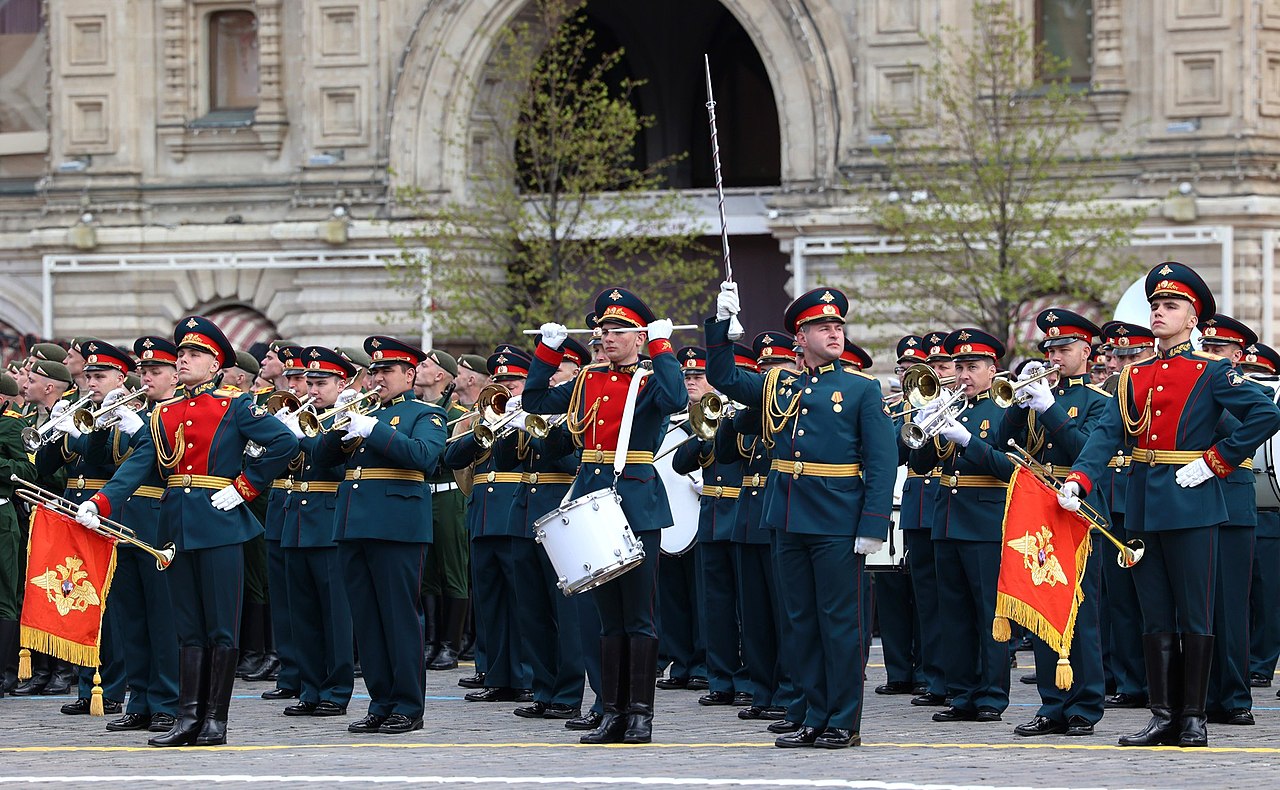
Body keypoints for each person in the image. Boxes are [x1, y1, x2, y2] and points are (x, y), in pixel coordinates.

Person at [1060, 261, 1280, 748]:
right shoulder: (1134, 375)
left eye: (1171, 305)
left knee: (1196, 613)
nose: (1159, 312)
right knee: (1154, 613)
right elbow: (1106, 434)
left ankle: (1195, 717)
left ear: (1193, 319)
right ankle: (1163, 716)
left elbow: (1266, 413)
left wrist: (1217, 460)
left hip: (1192, 500)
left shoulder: (1212, 371)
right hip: (1141, 503)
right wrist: (1081, 478)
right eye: (1156, 304)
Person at [77, 316, 298, 747]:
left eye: (194, 354)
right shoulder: (164, 412)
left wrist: (245, 487)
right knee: (188, 628)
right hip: (175, 525)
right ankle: (187, 717)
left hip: (219, 522)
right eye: (181, 354)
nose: (183, 360)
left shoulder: (236, 406)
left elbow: (284, 444)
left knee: (220, 628)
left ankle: (215, 720)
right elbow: (140, 465)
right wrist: (99, 503)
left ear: (216, 366)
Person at [708, 284, 897, 749]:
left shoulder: (860, 389)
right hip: (788, 517)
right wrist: (721, 329)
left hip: (837, 521)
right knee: (800, 622)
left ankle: (842, 720)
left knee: (839, 624)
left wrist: (873, 524)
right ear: (801, 335)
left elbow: (881, 461)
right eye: (823, 327)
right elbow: (726, 379)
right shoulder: (780, 385)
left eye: (837, 326)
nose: (834, 333)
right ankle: (812, 714)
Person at [523, 287, 685, 745]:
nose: (606, 336)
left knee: (638, 616)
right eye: (602, 329)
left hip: (635, 500)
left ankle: (640, 714)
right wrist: (547, 351)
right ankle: (611, 711)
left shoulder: (651, 380)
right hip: (593, 498)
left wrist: (662, 345)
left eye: (617, 329)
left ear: (638, 336)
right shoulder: (587, 380)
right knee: (606, 617)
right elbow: (535, 401)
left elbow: (675, 398)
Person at [315, 335, 447, 735]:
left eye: (386, 370)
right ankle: (381, 701)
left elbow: (425, 458)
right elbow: (320, 464)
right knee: (368, 621)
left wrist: (374, 430)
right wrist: (338, 430)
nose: (377, 377)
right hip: (354, 526)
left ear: (410, 374)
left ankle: (408, 705)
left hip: (397, 527)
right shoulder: (363, 412)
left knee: (399, 618)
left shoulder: (425, 415)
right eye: (373, 371)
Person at [999, 309, 1110, 738]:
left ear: (1086, 351)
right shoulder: (1040, 394)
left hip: (1079, 512)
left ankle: (1084, 704)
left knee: (1081, 610)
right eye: (1050, 349)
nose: (1056, 356)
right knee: (1041, 603)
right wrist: (1021, 401)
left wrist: (1050, 410)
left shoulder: (1100, 402)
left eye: (1064, 348)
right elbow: (1002, 444)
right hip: (1040, 510)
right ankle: (1051, 703)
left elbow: (1088, 451)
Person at [909, 328, 1014, 726]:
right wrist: (925, 429)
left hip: (985, 522)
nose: (963, 375)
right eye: (959, 366)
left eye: (972, 366)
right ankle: (962, 692)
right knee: (952, 613)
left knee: (988, 614)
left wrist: (968, 440)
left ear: (992, 370)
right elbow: (918, 468)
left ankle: (991, 694)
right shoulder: (951, 407)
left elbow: (1010, 469)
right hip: (946, 520)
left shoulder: (1005, 410)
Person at [36, 339, 136, 717]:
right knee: (78, 597)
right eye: (89, 375)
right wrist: (55, 428)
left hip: (108, 511)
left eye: (100, 375)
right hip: (74, 507)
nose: (91, 382)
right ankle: (86, 684)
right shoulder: (82, 410)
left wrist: (81, 433)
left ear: (119, 377)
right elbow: (44, 463)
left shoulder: (128, 411)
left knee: (109, 606)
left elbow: (110, 461)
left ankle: (110, 687)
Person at [99, 336, 182, 733]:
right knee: (130, 616)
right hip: (125, 520)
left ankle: (167, 699)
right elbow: (116, 466)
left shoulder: (180, 412)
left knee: (163, 616)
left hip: (160, 514)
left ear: (174, 375)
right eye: (143, 371)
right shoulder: (133, 412)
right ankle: (140, 698)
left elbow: (173, 465)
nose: (147, 378)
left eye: (156, 372)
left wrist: (141, 431)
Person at [444, 345, 533, 704]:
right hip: (481, 517)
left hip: (516, 514)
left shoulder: (535, 416)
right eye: (499, 381)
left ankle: (526, 675)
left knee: (522, 602)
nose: (505, 388)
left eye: (513, 381)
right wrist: (477, 428)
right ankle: (496, 675)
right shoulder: (481, 419)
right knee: (490, 603)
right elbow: (450, 456)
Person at [275, 346, 357, 718]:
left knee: (334, 614)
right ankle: (309, 687)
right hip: (296, 521)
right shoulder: (302, 415)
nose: (312, 389)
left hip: (328, 521)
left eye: (321, 382)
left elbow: (328, 457)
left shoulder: (349, 418)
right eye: (309, 382)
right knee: (302, 612)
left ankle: (336, 690)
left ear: (342, 383)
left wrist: (298, 435)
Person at [511, 336, 589, 720]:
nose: (554, 377)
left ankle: (569, 693)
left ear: (576, 372)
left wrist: (543, 431)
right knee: (533, 609)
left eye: (561, 370)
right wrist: (512, 422)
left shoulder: (582, 410)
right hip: (525, 511)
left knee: (566, 611)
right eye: (550, 370)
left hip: (563, 512)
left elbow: (576, 462)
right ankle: (544, 688)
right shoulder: (540, 409)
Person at [672, 345, 754, 708]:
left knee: (748, 606)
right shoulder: (702, 417)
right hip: (712, 516)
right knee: (715, 605)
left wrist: (730, 421)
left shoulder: (744, 415)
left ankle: (750, 678)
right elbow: (679, 461)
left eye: (698, 377)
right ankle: (720, 677)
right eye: (687, 377)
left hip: (741, 512)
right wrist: (705, 431)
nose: (692, 382)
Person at [1196, 313, 1262, 726]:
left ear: (1237, 355)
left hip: (1233, 506)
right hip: (1196, 502)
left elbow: (1242, 427)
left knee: (1231, 608)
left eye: (1218, 349)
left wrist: (1204, 403)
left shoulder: (1246, 389)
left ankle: (1236, 698)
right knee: (1198, 608)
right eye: (1207, 347)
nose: (1210, 354)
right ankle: (1202, 693)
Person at [1094, 321, 1156, 711]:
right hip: (1111, 503)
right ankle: (1130, 682)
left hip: (1146, 499)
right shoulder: (1103, 394)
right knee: (1117, 601)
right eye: (1117, 356)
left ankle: (1158, 682)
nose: (1121, 363)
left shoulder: (1156, 388)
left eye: (1132, 355)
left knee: (1153, 601)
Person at [415, 349, 470, 672]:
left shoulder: (459, 413)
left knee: (452, 570)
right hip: (424, 493)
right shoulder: (419, 409)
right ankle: (432, 642)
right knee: (428, 571)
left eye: (426, 365)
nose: (418, 369)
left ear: (440, 376)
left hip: (449, 494)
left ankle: (451, 643)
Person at [1239, 343, 1280, 690]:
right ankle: (1250, 660)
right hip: (1248, 505)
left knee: (1268, 594)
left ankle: (1262, 662)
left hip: (1271, 511)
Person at [0, 370, 36, 701]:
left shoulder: (12, 426)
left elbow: (26, 470)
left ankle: (6, 671)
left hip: (1, 513)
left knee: (4, 592)